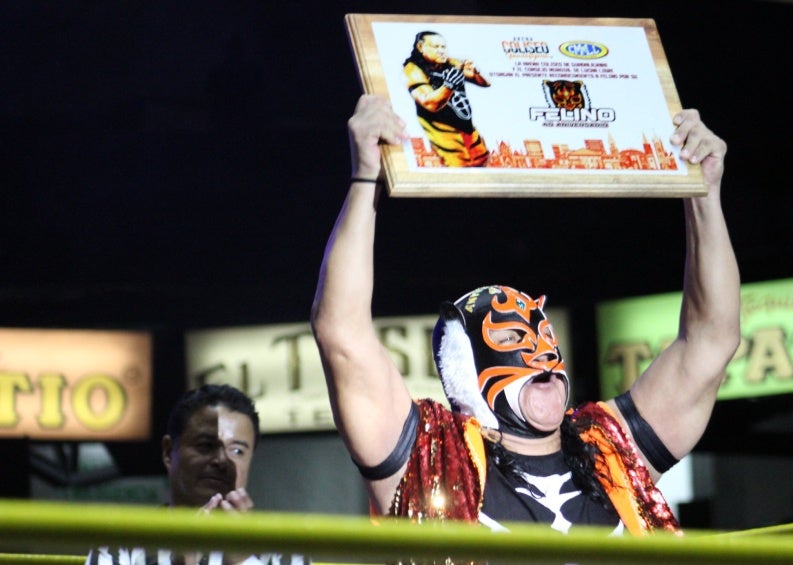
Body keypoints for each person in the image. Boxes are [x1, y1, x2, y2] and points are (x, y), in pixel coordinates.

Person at [310, 95, 739, 535]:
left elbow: (712, 341)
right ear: (467, 371)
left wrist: (704, 191)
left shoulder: (611, 450)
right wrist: (365, 179)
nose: (541, 355)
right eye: (513, 340)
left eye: (544, 335)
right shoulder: (429, 458)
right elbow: (341, 334)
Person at [86, 384, 307, 565]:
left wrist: (242, 560)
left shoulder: (284, 547)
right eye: (205, 445)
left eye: (237, 450)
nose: (222, 459)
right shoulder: (119, 544)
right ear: (168, 453)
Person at [403, 30, 491, 167]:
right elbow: (430, 103)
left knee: (483, 159)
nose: (441, 51)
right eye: (436, 47)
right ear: (420, 47)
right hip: (442, 129)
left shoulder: (450, 62)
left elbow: (485, 83)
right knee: (459, 167)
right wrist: (449, 85)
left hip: (466, 126)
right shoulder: (413, 69)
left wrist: (476, 73)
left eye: (443, 47)